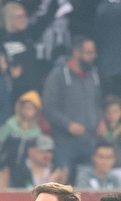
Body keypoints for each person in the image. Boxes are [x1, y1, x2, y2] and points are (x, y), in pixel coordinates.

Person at [41, 37, 101, 178]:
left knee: (88, 183)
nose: (92, 57)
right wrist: (68, 125)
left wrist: (100, 120)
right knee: (65, 183)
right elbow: (48, 107)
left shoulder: (93, 74)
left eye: (93, 53)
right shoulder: (57, 75)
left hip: (89, 139)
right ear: (76, 53)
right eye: (88, 53)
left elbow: (97, 102)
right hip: (64, 142)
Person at [0, 91, 43, 174]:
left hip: (24, 170)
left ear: (36, 111)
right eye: (25, 107)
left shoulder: (36, 130)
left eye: (31, 108)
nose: (27, 111)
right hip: (6, 167)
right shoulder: (10, 124)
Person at [96, 95, 121, 177]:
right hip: (102, 169)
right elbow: (103, 145)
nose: (112, 115)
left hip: (120, 168)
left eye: (115, 112)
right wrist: (102, 135)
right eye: (108, 112)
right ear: (104, 113)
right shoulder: (100, 129)